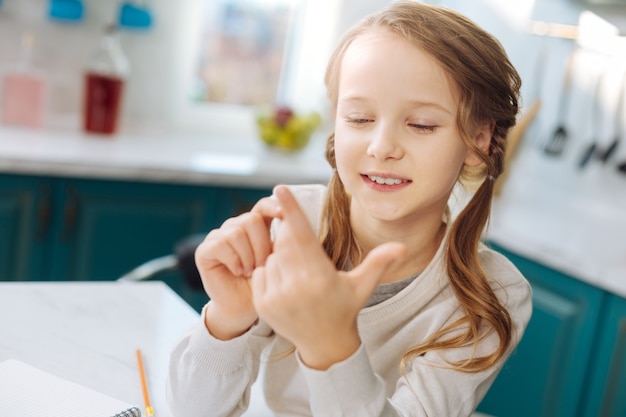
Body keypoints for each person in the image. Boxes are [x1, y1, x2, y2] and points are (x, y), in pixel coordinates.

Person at [166, 1, 532, 416]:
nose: (382, 148)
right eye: (359, 118)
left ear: (478, 140)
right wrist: (227, 320)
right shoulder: (293, 225)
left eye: (421, 125)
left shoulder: (491, 294)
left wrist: (332, 346)